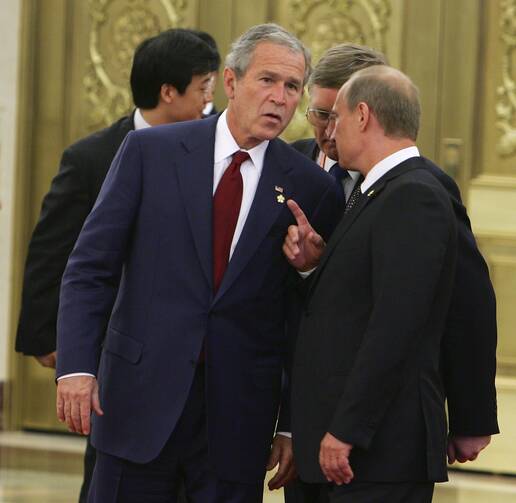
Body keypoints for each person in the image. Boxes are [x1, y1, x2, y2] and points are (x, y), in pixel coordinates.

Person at [55, 23, 341, 503]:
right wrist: (76, 367)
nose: (280, 97)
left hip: (236, 423)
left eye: (293, 87)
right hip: (138, 404)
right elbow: (90, 268)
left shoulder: (311, 188)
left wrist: (292, 423)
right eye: (267, 80)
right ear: (230, 83)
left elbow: (306, 317)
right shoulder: (151, 152)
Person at [285, 44, 498, 503]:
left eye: (334, 116)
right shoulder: (371, 188)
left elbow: (403, 323)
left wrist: (346, 429)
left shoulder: (415, 194)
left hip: (373, 449)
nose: (326, 130)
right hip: (327, 444)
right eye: (317, 114)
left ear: (362, 115)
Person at [15, 28, 220, 503]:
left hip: (193, 357)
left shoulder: (218, 153)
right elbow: (56, 251)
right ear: (168, 92)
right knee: (112, 473)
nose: (213, 101)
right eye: (205, 88)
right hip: (117, 352)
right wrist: (57, 343)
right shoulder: (91, 157)